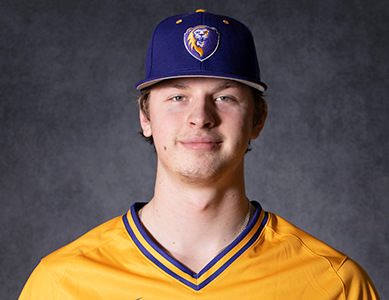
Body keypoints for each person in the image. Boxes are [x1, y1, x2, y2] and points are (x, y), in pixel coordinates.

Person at [19, 9, 380, 299]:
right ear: (146, 117)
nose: (200, 117)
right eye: (177, 97)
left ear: (258, 119)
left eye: (225, 97)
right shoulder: (61, 284)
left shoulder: (334, 284)